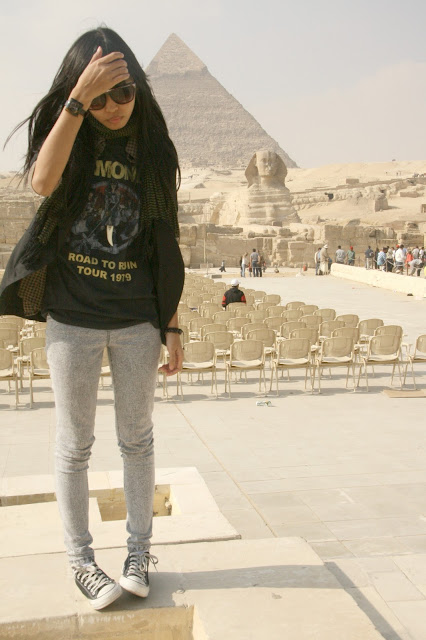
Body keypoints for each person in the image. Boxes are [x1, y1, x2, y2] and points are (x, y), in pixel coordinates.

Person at [0, 28, 185, 610]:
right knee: (74, 444)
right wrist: (77, 101)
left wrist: (172, 323)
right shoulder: (73, 132)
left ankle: (138, 552)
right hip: (73, 316)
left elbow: (163, 242)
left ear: (139, 88)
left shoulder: (153, 151)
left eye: (122, 92)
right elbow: (42, 182)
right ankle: (80, 560)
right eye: (99, 95)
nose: (113, 106)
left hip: (135, 319)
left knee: (138, 440)